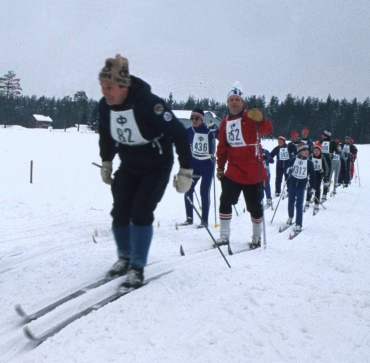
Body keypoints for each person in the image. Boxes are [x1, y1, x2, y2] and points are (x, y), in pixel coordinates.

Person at [97, 55, 192, 288]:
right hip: (129, 164)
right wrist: (107, 161)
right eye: (102, 87)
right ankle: (125, 257)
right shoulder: (104, 106)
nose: (105, 92)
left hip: (156, 165)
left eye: (109, 87)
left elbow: (179, 133)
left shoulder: (150, 104)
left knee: (140, 212)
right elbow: (106, 134)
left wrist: (186, 170)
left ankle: (137, 267)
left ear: (123, 86)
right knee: (120, 211)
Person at [215, 82, 273, 250]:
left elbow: (268, 129)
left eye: (237, 99)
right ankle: (224, 236)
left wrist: (261, 118)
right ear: (227, 103)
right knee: (225, 201)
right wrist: (220, 167)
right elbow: (222, 148)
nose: (234, 102)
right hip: (233, 171)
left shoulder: (251, 116)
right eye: (231, 99)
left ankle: (256, 237)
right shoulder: (225, 122)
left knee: (254, 207)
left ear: (242, 102)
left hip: (254, 172)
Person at [182, 108, 218, 228]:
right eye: (192, 118)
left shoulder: (208, 130)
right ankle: (189, 218)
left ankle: (204, 220)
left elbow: (220, 137)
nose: (194, 120)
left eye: (196, 118)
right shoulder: (189, 131)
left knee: (204, 191)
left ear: (202, 119)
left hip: (207, 164)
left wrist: (216, 130)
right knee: (188, 189)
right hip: (195, 165)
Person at [285, 143, 317, 234]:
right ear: (299, 152)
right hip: (292, 183)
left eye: (307, 150)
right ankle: (290, 217)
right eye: (304, 150)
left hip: (301, 186)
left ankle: (299, 223)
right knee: (291, 201)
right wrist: (289, 170)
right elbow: (286, 169)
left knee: (299, 204)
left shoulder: (309, 163)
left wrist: (312, 187)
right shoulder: (293, 160)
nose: (306, 152)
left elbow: (313, 176)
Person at [306, 142, 331, 209]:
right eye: (315, 150)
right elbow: (306, 165)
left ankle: (316, 202)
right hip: (311, 174)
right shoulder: (310, 157)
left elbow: (326, 168)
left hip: (319, 175)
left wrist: (325, 175)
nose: (316, 152)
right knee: (310, 187)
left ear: (320, 151)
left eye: (318, 151)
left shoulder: (322, 158)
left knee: (317, 188)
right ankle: (307, 201)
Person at [320, 129, 339, 199]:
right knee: (318, 179)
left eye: (323, 134)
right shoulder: (320, 142)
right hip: (320, 162)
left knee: (326, 178)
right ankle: (317, 193)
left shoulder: (332, 143)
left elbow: (337, 152)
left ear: (326, 135)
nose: (321, 135)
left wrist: (332, 155)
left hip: (328, 163)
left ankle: (324, 194)